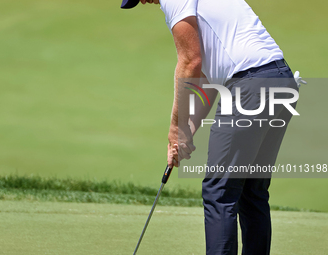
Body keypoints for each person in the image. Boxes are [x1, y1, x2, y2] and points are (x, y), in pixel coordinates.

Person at [121, 0, 303, 254]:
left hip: (249, 86)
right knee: (252, 191)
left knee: (220, 190)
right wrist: (186, 132)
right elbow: (209, 76)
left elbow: (190, 63)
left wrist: (175, 126)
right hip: (280, 82)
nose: (143, 1)